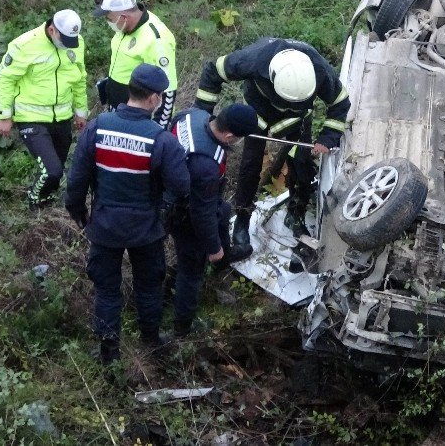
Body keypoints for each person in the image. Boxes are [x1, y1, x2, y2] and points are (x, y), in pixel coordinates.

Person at [64, 64, 190, 365]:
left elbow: (77, 179)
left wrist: (79, 212)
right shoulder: (161, 140)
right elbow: (182, 186)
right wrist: (164, 209)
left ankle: (109, 352)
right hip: (145, 229)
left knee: (107, 290)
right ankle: (151, 339)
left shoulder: (97, 127)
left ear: (129, 89)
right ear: (155, 99)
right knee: (148, 285)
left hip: (104, 225)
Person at [194, 38, 350, 257]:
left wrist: (328, 137)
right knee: (250, 165)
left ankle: (295, 213)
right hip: (256, 117)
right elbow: (213, 71)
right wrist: (202, 116)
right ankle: (242, 217)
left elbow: (340, 102)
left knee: (301, 164)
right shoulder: (253, 60)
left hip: (296, 121)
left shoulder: (319, 70)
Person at [167, 103, 260, 337]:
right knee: (191, 270)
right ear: (229, 136)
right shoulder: (207, 163)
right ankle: (181, 329)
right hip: (183, 211)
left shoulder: (193, 115)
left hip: (179, 189)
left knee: (224, 209)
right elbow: (202, 213)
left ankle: (223, 257)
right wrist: (212, 248)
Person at [0, 9, 88, 209]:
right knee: (52, 170)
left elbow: (79, 79)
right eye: (63, 40)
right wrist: (5, 115)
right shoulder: (24, 45)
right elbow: (5, 79)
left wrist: (81, 112)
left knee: (58, 168)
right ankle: (34, 201)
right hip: (32, 118)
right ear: (52, 30)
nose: (66, 45)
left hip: (62, 117)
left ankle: (47, 202)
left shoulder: (75, 41)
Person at [92, 0, 178, 128]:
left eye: (109, 19)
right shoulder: (124, 28)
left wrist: (158, 129)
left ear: (124, 17)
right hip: (116, 107)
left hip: (137, 116)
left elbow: (168, 89)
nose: (108, 23)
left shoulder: (156, 39)